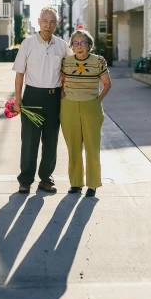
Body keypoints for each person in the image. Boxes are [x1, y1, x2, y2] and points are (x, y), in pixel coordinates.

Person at [13, 7, 71, 195]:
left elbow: (73, 66)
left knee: (51, 141)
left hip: (54, 99)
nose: (49, 25)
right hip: (32, 97)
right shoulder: (28, 44)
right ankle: (25, 180)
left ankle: (46, 179)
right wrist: (18, 99)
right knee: (29, 141)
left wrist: (99, 61)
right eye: (45, 21)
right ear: (39, 22)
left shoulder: (62, 46)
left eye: (53, 22)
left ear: (57, 24)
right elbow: (19, 74)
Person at [60, 30, 112, 198]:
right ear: (71, 46)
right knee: (73, 147)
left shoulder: (98, 61)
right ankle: (75, 183)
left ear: (90, 45)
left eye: (83, 43)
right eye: (75, 43)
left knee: (92, 147)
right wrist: (63, 96)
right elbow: (60, 81)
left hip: (91, 107)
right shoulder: (66, 62)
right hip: (69, 107)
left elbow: (107, 84)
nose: (79, 46)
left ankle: (93, 184)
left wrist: (98, 100)